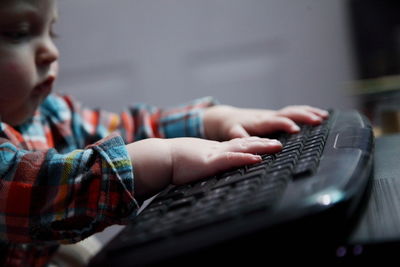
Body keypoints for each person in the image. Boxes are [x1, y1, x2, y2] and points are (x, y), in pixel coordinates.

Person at [0, 0, 329, 266]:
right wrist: (161, 158)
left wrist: (212, 120)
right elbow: (38, 189)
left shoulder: (50, 113)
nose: (51, 52)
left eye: (51, 32)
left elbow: (130, 129)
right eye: (19, 32)